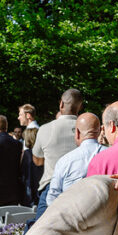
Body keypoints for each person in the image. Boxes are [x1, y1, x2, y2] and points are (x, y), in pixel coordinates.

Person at [30, 89, 83, 224]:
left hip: (51, 186)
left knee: (40, 233)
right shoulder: (85, 129)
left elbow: (37, 160)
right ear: (80, 106)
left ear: (61, 105)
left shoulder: (45, 129)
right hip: (80, 189)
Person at [45, 113, 102, 205]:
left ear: (77, 133)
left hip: (70, 215)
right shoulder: (111, 155)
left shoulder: (65, 161)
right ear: (100, 131)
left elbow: (52, 197)